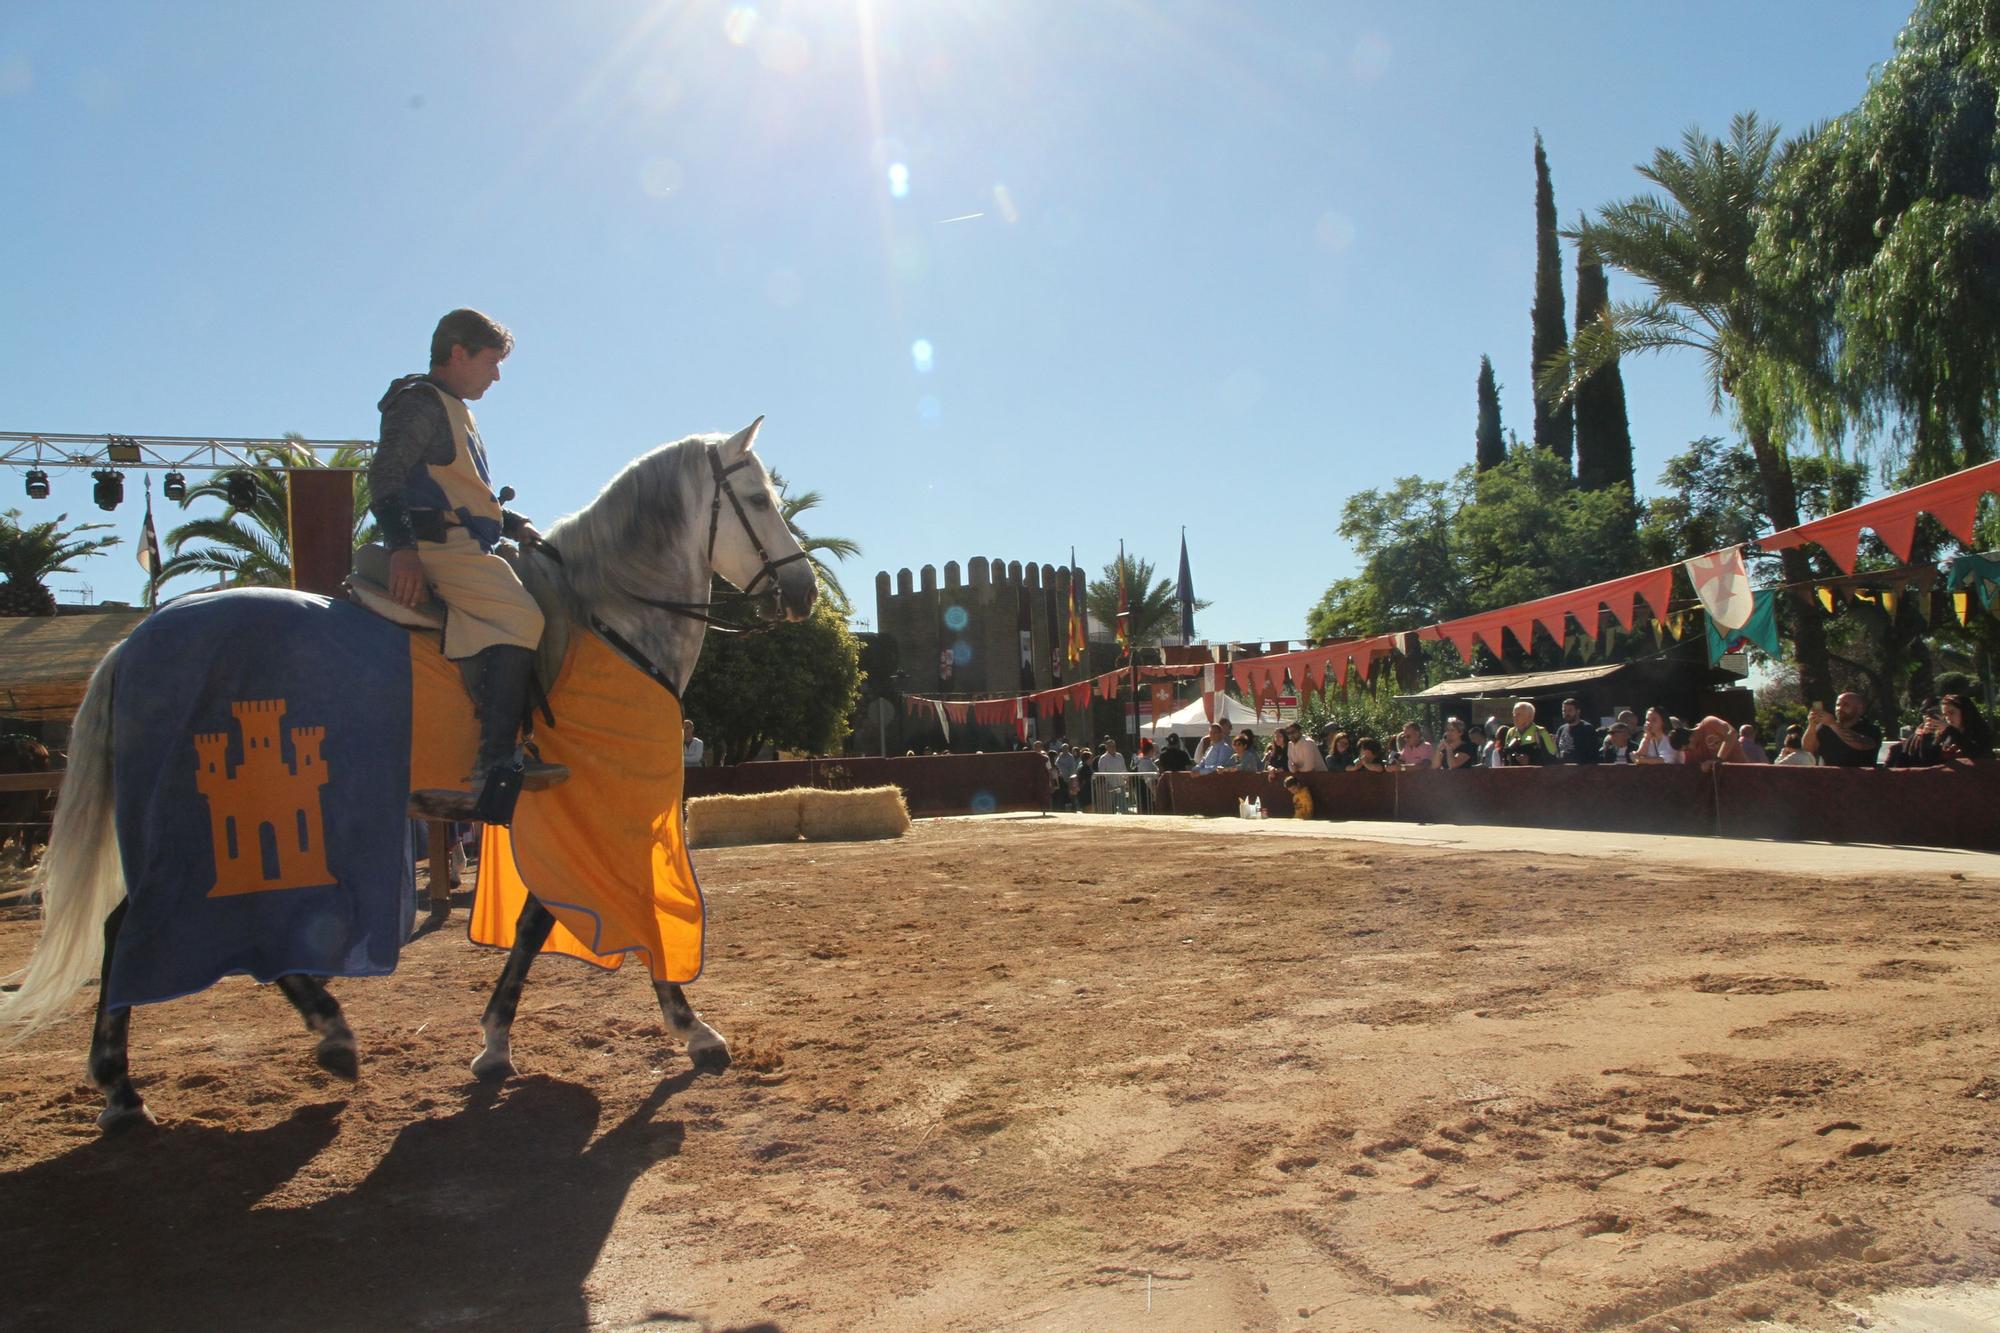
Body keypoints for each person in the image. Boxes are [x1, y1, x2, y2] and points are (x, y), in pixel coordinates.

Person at [380, 309, 567, 817]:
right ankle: (495, 761)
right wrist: (403, 549)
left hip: (465, 542)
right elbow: (386, 479)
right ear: (457, 353)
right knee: (522, 617)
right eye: (490, 362)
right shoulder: (420, 403)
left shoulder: (453, 406)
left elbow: (460, 492)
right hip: (442, 550)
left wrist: (512, 523)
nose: (497, 374)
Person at [1905, 693, 1994, 765]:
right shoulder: (1945, 734)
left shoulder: (1980, 732)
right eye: (1945, 715)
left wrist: (1951, 731)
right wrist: (1927, 736)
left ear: (1965, 713)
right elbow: (1928, 761)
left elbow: (1978, 754)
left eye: (1951, 713)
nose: (1948, 718)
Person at [1803, 692, 1882, 768]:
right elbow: (1809, 748)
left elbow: (1861, 745)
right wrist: (1812, 725)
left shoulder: (1871, 729)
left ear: (1859, 709)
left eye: (1845, 705)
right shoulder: (1825, 728)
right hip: (1830, 778)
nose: (1839, 708)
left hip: (1861, 778)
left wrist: (1833, 724)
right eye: (1838, 705)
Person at [1499, 701, 1556, 766]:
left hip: (1536, 774)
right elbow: (1506, 757)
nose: (1515, 717)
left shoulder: (1541, 731)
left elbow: (1552, 758)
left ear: (1530, 717)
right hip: (1515, 774)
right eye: (1513, 714)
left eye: (1518, 714)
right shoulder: (1511, 732)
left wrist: (1530, 760)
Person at [1680, 716, 1746, 768]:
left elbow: (1732, 733)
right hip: (1723, 780)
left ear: (1691, 738)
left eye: (1687, 749)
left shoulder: (1709, 723)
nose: (1687, 751)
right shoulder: (1693, 752)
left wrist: (1718, 759)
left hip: (1740, 770)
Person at [1554, 697, 1600, 765]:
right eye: (1564, 711)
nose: (1567, 713)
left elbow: (1593, 755)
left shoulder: (1587, 729)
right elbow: (1557, 752)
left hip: (1582, 771)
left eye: (1570, 710)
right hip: (1564, 772)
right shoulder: (1561, 729)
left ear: (1578, 711)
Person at [1133, 738, 1159, 812]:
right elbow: (1148, 780)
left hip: (1145, 788)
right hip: (1146, 790)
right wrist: (1154, 793)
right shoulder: (1146, 762)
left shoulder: (1144, 761)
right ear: (1150, 751)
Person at [1053, 742, 1078, 810]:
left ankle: (1073, 809)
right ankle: (1062, 809)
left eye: (1066, 748)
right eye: (1063, 748)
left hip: (1068, 780)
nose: (1064, 750)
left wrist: (1071, 780)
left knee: (1071, 796)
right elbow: (1056, 765)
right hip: (1061, 780)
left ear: (1068, 749)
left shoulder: (1070, 757)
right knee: (1062, 796)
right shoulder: (1060, 756)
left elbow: (1072, 769)